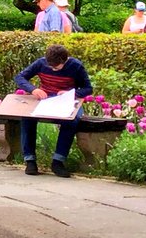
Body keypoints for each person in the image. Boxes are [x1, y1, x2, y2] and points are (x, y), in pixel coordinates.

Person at [15, 44, 93, 178]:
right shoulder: (41, 63)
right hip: (44, 100)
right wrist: (33, 89)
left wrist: (72, 93)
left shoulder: (76, 66)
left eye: (56, 67)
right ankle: (30, 160)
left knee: (72, 120)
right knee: (27, 118)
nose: (53, 69)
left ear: (65, 60)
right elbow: (20, 77)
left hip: (66, 101)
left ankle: (58, 161)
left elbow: (88, 88)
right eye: (50, 66)